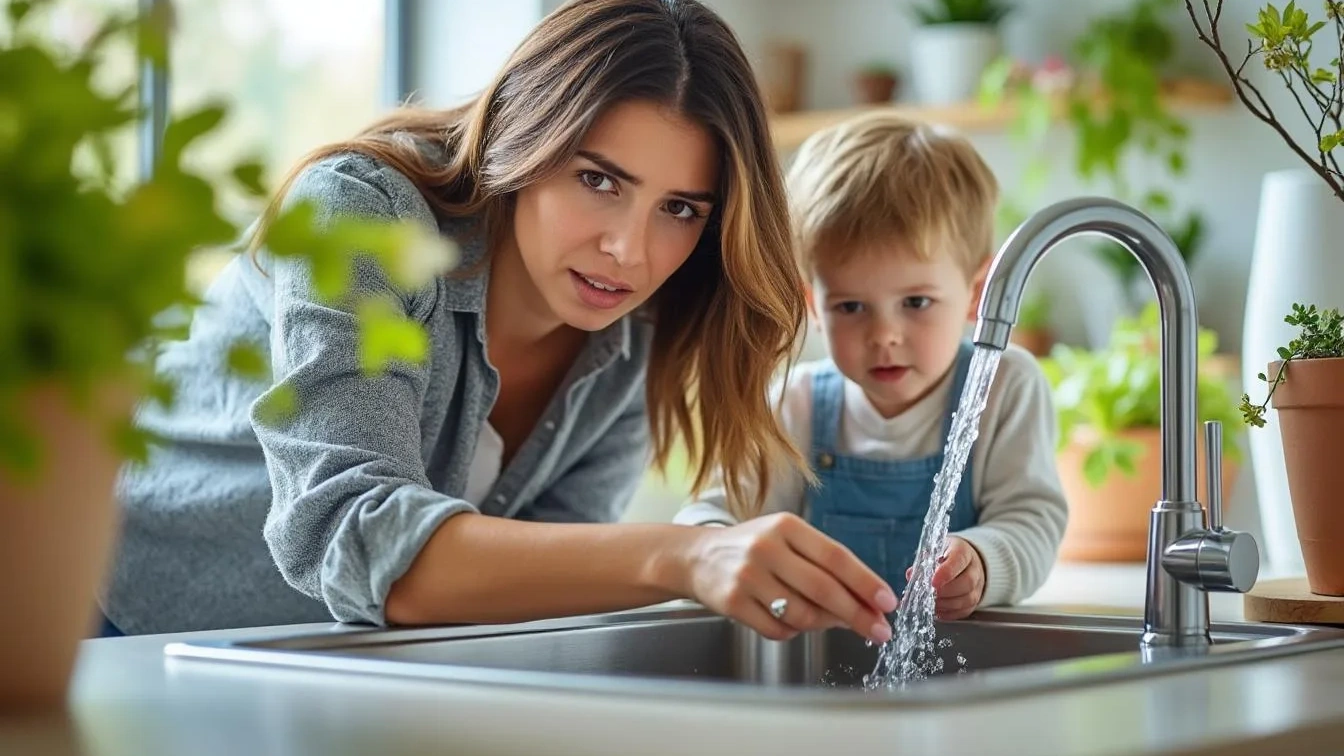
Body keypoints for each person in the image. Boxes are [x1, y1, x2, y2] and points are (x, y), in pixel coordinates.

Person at [100, 0, 898, 645]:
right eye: (597, 179)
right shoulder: (365, 214)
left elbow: (535, 593)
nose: (628, 249)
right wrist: (687, 553)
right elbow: (352, 530)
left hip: (311, 666)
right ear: (525, 135)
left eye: (679, 209)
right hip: (106, 624)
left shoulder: (640, 334)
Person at [676, 113, 1068, 620]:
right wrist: (707, 548)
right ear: (814, 307)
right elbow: (711, 516)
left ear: (976, 295)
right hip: (823, 670)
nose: (884, 335)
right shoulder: (794, 405)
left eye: (916, 302)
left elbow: (1031, 521)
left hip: (960, 674)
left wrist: (984, 562)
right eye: (851, 307)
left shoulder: (1003, 388)